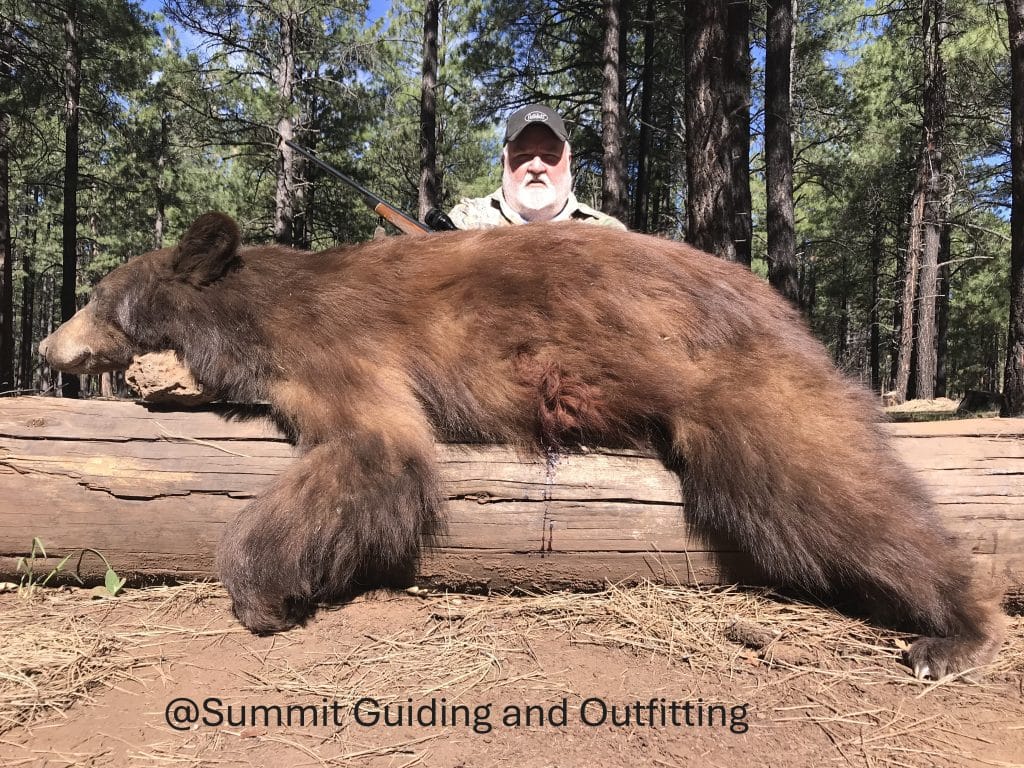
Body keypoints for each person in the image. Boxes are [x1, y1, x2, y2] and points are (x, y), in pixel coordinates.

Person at [448, 104, 627, 230]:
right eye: (522, 156)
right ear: (504, 162)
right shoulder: (465, 222)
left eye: (550, 156)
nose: (536, 167)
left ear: (569, 162)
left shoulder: (606, 232)